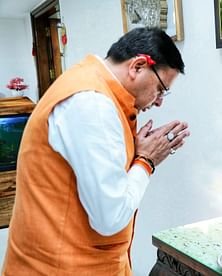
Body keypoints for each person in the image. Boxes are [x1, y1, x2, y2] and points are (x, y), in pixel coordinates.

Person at [2, 27, 190, 275]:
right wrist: (146, 161)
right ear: (138, 66)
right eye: (161, 88)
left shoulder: (92, 87)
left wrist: (137, 154)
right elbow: (109, 219)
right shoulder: (92, 104)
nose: (159, 101)